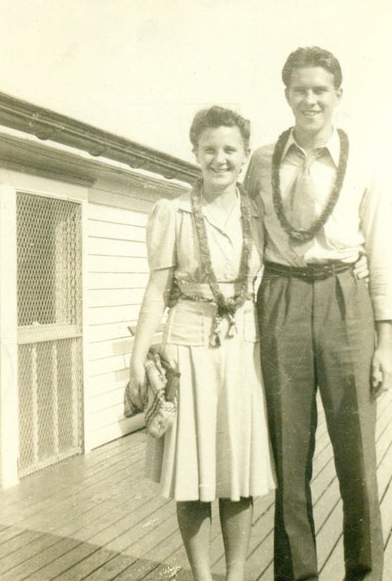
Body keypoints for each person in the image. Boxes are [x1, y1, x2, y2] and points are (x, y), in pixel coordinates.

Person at [245, 46, 392, 581]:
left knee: (356, 454)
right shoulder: (262, 160)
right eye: (299, 90)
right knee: (289, 453)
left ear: (338, 95)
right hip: (282, 298)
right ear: (286, 94)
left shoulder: (367, 162)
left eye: (320, 90)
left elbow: (382, 250)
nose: (310, 99)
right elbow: (248, 241)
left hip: (344, 299)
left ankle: (365, 573)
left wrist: (384, 342)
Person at [128, 106, 277, 581]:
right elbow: (156, 292)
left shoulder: (259, 214)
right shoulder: (172, 213)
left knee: (238, 471)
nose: (220, 159)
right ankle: (203, 577)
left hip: (243, 349)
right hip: (187, 348)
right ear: (194, 152)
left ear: (245, 155)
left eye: (230, 150)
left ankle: (236, 575)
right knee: (192, 476)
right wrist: (137, 360)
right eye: (209, 149)